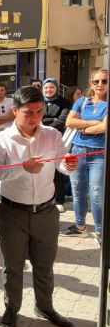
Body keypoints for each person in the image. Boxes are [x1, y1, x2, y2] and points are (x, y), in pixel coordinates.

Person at [0, 86, 78, 327]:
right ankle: (12, 308)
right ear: (15, 110)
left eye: (39, 112)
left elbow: (61, 164)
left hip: (46, 213)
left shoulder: (51, 135)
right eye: (28, 113)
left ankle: (45, 306)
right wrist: (22, 168)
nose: (35, 118)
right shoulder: (0, 140)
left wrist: (69, 165)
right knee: (13, 266)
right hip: (12, 212)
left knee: (45, 264)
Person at [61, 69, 108, 245]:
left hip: (99, 153)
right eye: (97, 81)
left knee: (96, 194)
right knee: (78, 192)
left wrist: (82, 128)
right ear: (91, 83)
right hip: (78, 151)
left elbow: (104, 128)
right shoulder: (82, 101)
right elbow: (69, 122)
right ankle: (80, 227)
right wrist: (92, 123)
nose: (100, 85)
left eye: (104, 81)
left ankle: (100, 231)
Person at [42, 78, 72, 212]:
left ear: (56, 88)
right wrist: (51, 119)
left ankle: (59, 200)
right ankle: (46, 198)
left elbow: (62, 120)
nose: (49, 90)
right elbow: (37, 119)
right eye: (46, 88)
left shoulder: (64, 102)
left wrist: (46, 124)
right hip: (41, 139)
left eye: (51, 87)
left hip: (58, 139)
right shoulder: (39, 101)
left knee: (58, 170)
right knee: (43, 168)